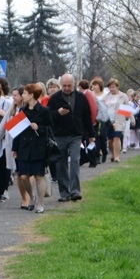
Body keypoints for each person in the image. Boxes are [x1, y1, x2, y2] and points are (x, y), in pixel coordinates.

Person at [47, 74, 94, 202]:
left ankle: (75, 191)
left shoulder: (81, 98)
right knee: (61, 164)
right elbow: (48, 116)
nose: (67, 88)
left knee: (75, 160)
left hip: (76, 134)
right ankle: (64, 192)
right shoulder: (55, 98)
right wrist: (58, 113)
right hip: (59, 134)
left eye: (69, 86)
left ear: (74, 84)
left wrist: (91, 134)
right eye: (64, 86)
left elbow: (87, 116)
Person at [12, 83, 53, 213]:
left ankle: (40, 203)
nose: (22, 95)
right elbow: (17, 130)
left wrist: (39, 128)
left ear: (31, 95)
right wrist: (14, 148)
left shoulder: (44, 111)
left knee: (39, 176)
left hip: (39, 147)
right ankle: (31, 196)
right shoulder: (22, 111)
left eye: (24, 93)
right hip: (24, 147)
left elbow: (50, 128)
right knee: (23, 176)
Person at [101, 78, 130, 162]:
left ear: (117, 87)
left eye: (113, 87)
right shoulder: (106, 97)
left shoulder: (123, 96)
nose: (111, 89)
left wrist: (130, 119)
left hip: (119, 120)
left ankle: (117, 156)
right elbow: (103, 108)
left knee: (117, 137)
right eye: (110, 87)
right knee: (110, 140)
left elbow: (127, 108)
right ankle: (113, 153)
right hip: (108, 120)